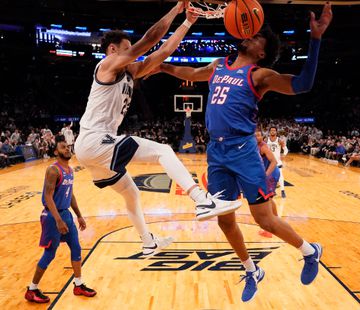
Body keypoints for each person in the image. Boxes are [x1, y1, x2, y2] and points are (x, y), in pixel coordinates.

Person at [152, 3, 332, 302]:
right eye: (251, 35)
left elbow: (302, 85)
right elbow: (192, 72)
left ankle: (310, 251)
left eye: (257, 38)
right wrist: (163, 66)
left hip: (243, 150)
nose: (249, 37)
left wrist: (315, 41)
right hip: (216, 150)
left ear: (262, 52)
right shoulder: (219, 64)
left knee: (263, 219)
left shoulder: (260, 74)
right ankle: (251, 271)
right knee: (224, 219)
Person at [74, 2, 240, 258]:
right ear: (112, 49)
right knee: (163, 150)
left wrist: (187, 23)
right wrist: (176, 9)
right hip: (96, 140)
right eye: (128, 50)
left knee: (131, 193)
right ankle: (201, 199)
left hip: (92, 147)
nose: (134, 55)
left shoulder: (132, 72)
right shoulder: (106, 66)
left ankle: (147, 242)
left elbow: (161, 52)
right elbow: (151, 40)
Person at [25, 136, 96, 304]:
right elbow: (48, 197)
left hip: (65, 214)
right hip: (51, 216)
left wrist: (78, 215)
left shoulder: (69, 170)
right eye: (63, 147)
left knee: (76, 247)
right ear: (56, 151)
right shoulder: (53, 170)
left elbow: (70, 194)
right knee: (50, 253)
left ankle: (78, 285)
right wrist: (57, 220)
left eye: (68, 146)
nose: (67, 149)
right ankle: (32, 289)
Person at [267, 126, 288, 198]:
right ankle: (272, 191)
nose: (272, 132)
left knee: (280, 177)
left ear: (276, 132)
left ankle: (282, 191)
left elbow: (286, 149)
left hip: (277, 162)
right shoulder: (266, 140)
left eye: (274, 130)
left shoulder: (279, 140)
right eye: (271, 130)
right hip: (269, 162)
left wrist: (283, 155)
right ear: (269, 132)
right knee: (270, 178)